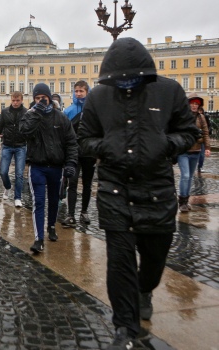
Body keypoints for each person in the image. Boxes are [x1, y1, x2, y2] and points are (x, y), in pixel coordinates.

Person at [78, 38, 199, 349]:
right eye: (120, 79)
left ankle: (146, 289)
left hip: (157, 189)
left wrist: (165, 144)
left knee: (155, 257)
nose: (126, 83)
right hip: (114, 189)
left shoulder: (169, 90)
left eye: (132, 78)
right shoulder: (99, 96)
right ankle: (126, 329)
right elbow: (84, 138)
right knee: (119, 261)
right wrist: (106, 147)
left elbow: (188, 132)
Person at [19, 83, 78, 254]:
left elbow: (71, 143)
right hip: (37, 166)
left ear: (49, 97)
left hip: (56, 167)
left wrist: (70, 163)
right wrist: (36, 113)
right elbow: (24, 132)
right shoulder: (30, 116)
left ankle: (51, 225)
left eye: (43, 98)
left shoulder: (61, 118)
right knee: (38, 202)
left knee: (53, 200)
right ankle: (39, 239)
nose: (40, 101)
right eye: (37, 98)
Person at [60, 81, 96, 227]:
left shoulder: (93, 111)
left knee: (87, 184)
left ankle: (84, 212)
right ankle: (70, 215)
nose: (79, 93)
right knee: (72, 183)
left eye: (81, 91)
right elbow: (63, 133)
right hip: (74, 153)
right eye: (76, 91)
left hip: (89, 153)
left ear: (87, 92)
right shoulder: (68, 111)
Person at [0, 91, 28, 207]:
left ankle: (17, 197)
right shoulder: (5, 112)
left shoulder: (26, 113)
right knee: (3, 171)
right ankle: (7, 187)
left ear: (21, 100)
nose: (15, 103)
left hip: (21, 145)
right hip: (7, 145)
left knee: (19, 174)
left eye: (17, 100)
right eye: (13, 100)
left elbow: (29, 129)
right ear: (11, 100)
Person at [177, 94, 210, 212]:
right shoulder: (182, 116)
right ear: (188, 103)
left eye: (197, 104)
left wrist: (207, 147)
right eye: (193, 103)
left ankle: (186, 201)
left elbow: (206, 132)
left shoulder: (201, 117)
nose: (195, 106)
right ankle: (181, 202)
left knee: (190, 176)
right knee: (185, 175)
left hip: (196, 151)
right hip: (183, 151)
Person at [197, 106, 211, 173]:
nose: (200, 112)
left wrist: (207, 147)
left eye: (201, 110)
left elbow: (207, 127)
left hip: (202, 139)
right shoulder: (194, 117)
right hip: (195, 140)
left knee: (202, 154)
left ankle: (200, 166)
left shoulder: (204, 117)